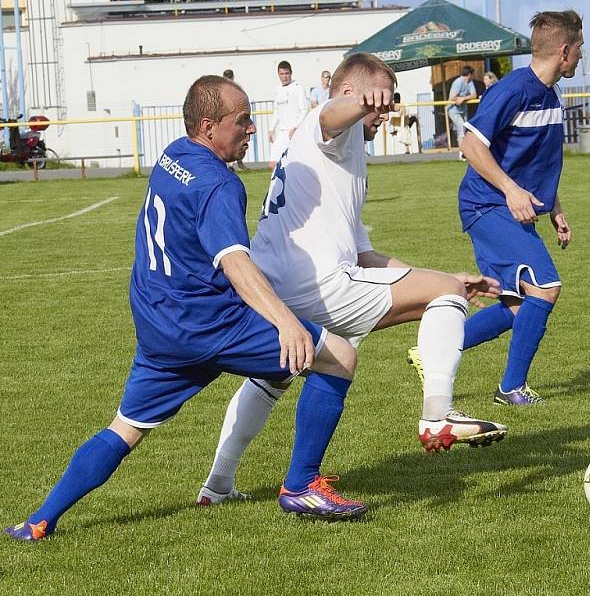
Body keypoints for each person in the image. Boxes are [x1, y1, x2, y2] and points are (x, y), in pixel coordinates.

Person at [4, 76, 367, 542]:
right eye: (242, 121)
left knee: (126, 427)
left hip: (160, 327)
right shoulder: (220, 185)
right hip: (210, 323)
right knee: (337, 355)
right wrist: (285, 323)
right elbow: (234, 261)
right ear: (209, 126)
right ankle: (301, 486)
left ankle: (40, 520)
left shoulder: (173, 154)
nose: (252, 129)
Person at [197, 54, 507, 505]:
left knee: (275, 377)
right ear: (352, 95)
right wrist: (362, 102)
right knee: (444, 294)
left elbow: (364, 253)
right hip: (315, 281)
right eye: (381, 102)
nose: (384, 113)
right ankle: (437, 416)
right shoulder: (327, 126)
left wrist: (434, 277)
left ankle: (218, 484)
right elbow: (329, 113)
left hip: (274, 283)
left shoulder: (347, 155)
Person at [408, 11, 581, 407]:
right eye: (579, 50)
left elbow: (539, 164)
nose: (580, 58)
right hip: (486, 204)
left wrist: (555, 209)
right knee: (546, 287)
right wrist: (511, 191)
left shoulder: (552, 95)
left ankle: (431, 352)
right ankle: (511, 388)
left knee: (516, 304)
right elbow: (470, 147)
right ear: (564, 49)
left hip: (509, 206)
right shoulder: (512, 90)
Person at [268, 60, 308, 171]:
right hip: (282, 132)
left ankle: (291, 186)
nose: (284, 76)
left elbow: (304, 110)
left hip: (294, 133)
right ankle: (282, 186)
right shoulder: (278, 89)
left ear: (291, 73)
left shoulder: (297, 88)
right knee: (272, 164)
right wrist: (271, 129)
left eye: (286, 73)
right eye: (282, 74)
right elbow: (277, 110)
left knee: (294, 165)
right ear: (278, 74)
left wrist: (296, 127)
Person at [448, 65, 477, 157]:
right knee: (461, 128)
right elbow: (452, 98)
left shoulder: (469, 82)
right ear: (469, 74)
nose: (473, 77)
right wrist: (459, 99)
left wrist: (463, 98)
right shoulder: (458, 82)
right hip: (453, 110)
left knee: (465, 130)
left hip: (463, 109)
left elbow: (474, 95)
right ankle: (462, 154)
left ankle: (465, 151)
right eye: (472, 74)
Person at [222, 68, 248, 170]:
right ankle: (229, 165)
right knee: (228, 141)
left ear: (232, 78)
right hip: (227, 119)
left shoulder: (237, 90)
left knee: (239, 140)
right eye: (226, 78)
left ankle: (239, 164)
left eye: (229, 78)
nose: (228, 80)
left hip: (237, 119)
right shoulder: (221, 90)